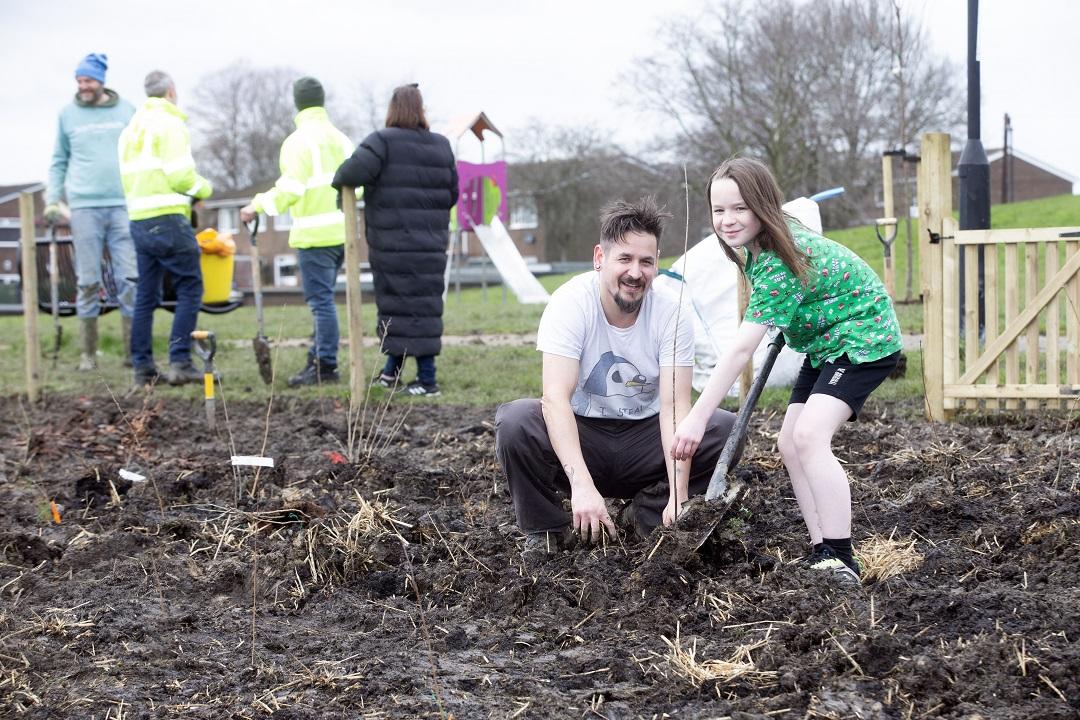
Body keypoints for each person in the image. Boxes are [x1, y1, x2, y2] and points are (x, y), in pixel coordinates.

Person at [671, 157, 903, 585]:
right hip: (824, 344)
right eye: (718, 210)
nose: (728, 219)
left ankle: (841, 556)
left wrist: (697, 418)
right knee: (788, 442)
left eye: (740, 208)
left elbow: (742, 348)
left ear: (762, 205)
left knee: (810, 436)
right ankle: (822, 552)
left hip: (862, 339)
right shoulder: (759, 251)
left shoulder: (778, 260)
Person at [494, 198, 741, 558]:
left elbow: (675, 409)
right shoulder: (570, 303)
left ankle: (645, 515)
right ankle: (548, 531)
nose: (635, 272)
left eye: (646, 261)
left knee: (723, 428)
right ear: (600, 258)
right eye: (624, 259)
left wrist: (678, 495)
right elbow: (555, 399)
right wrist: (581, 486)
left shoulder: (671, 312)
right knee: (516, 421)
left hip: (646, 440)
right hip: (582, 435)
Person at [332, 84, 458, 397]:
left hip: (393, 245)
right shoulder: (441, 146)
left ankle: (427, 380)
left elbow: (347, 173)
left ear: (393, 109)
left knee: (398, 307)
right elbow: (452, 193)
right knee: (423, 308)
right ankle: (392, 374)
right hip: (430, 245)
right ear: (420, 110)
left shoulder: (381, 142)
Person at [240, 77, 353, 387]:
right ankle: (318, 356)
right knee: (326, 301)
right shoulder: (342, 139)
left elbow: (289, 189)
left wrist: (256, 206)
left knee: (321, 304)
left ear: (297, 102)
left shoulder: (298, 141)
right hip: (341, 235)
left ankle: (325, 365)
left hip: (314, 238)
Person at [118, 70, 213, 386]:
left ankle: (142, 368)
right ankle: (180, 361)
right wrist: (204, 188)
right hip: (168, 217)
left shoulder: (131, 129)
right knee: (190, 286)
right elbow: (181, 178)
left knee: (146, 293)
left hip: (139, 219)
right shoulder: (170, 124)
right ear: (171, 91)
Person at [45, 53, 138, 371]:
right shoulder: (67, 115)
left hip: (123, 204)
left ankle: (132, 352)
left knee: (129, 278)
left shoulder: (127, 111)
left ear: (101, 80)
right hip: (84, 208)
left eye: (88, 80)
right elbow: (59, 160)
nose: (82, 86)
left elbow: (142, 153)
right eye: (79, 80)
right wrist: (53, 199)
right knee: (87, 281)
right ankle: (87, 355)